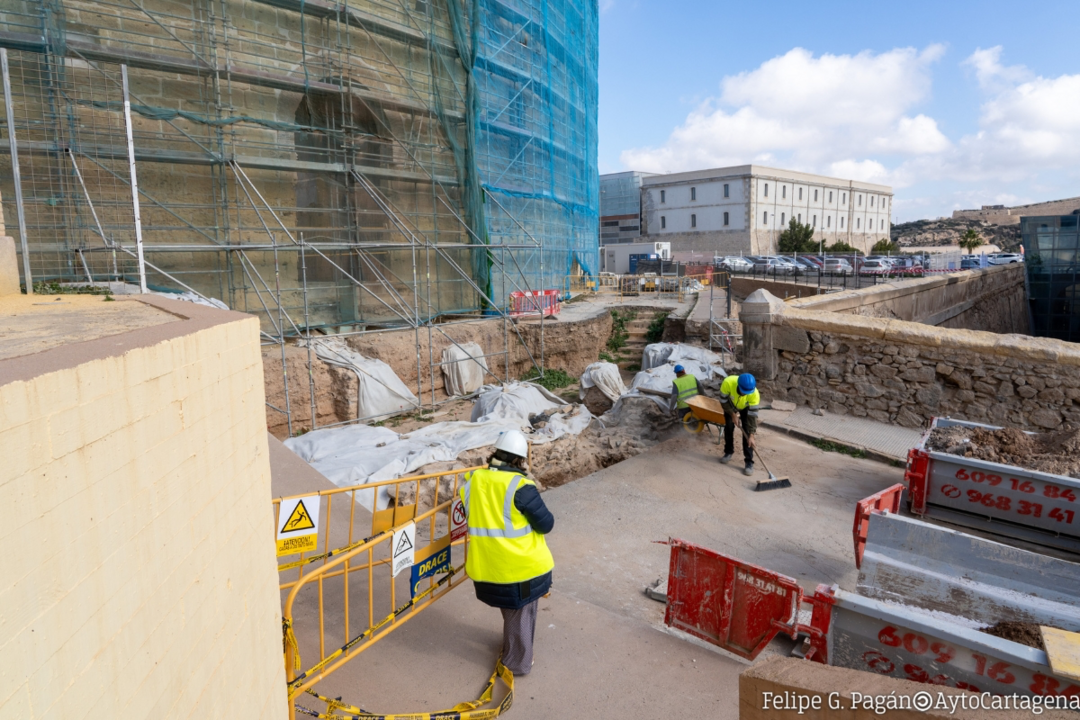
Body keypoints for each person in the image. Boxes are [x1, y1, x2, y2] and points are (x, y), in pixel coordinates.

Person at [460, 429, 554, 676]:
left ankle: (514, 646)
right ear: (520, 460)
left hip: (487, 568)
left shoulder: (473, 480)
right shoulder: (521, 487)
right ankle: (518, 663)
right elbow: (546, 524)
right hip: (521, 569)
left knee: (513, 612)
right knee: (521, 614)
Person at [718, 373, 761, 476]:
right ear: (738, 385)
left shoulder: (754, 394)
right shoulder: (728, 383)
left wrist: (751, 435)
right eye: (743, 391)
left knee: (747, 432)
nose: (745, 394)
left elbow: (753, 417)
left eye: (747, 392)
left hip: (745, 407)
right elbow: (723, 401)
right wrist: (733, 414)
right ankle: (728, 452)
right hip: (730, 404)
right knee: (729, 427)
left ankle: (749, 462)